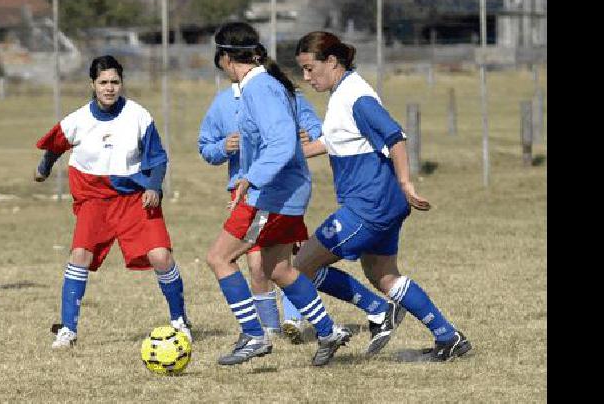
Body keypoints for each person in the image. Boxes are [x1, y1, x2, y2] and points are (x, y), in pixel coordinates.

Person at [293, 30, 472, 361]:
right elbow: (332, 143)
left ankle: (378, 311)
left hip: (368, 207)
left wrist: (406, 183)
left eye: (309, 68)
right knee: (383, 274)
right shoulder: (343, 93)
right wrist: (287, 153)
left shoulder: (356, 97)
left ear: (332, 62)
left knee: (299, 267)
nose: (306, 77)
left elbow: (395, 136)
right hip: (383, 205)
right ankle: (448, 337)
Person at [204, 22, 350, 367]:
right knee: (279, 268)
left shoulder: (258, 89)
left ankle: (254, 336)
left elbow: (283, 143)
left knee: (219, 258)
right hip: (285, 192)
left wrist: (250, 179)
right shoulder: (267, 84)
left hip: (271, 196)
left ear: (225, 57)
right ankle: (329, 332)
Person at [34, 55, 190, 349]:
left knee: (161, 256)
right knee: (80, 254)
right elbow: (55, 146)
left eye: (115, 82)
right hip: (95, 199)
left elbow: (157, 159)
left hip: (135, 199)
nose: (109, 88)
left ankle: (180, 321)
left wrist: (154, 187)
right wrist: (43, 168)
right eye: (103, 82)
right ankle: (67, 330)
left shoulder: (138, 116)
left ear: (122, 83)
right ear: (92, 84)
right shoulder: (78, 120)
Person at [197, 80, 324, 344]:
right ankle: (270, 329)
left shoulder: (284, 94)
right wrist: (223, 147)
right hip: (247, 192)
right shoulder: (223, 103)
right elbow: (206, 148)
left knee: (278, 263)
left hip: (282, 191)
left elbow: (315, 129)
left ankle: (291, 321)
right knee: (259, 266)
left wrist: (307, 135)